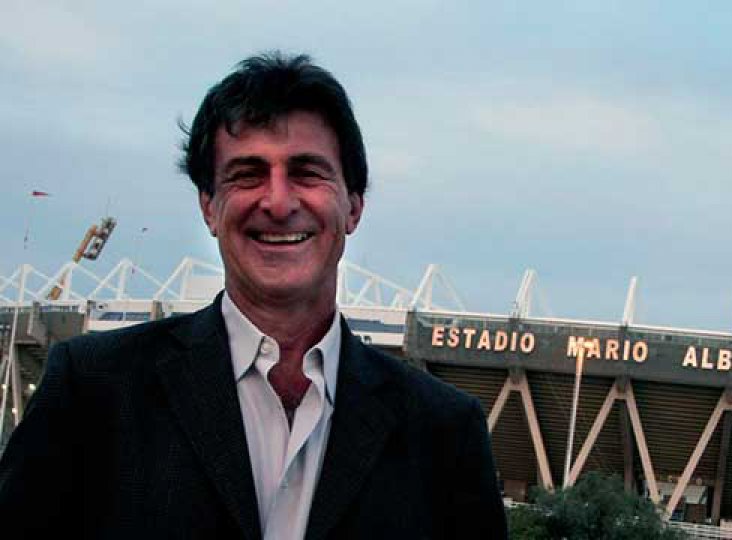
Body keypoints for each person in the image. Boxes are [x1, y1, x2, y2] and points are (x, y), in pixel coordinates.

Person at [0, 52, 507, 539]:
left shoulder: (443, 432)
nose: (279, 202)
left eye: (307, 172)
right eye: (248, 174)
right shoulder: (93, 392)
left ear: (353, 207)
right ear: (209, 207)